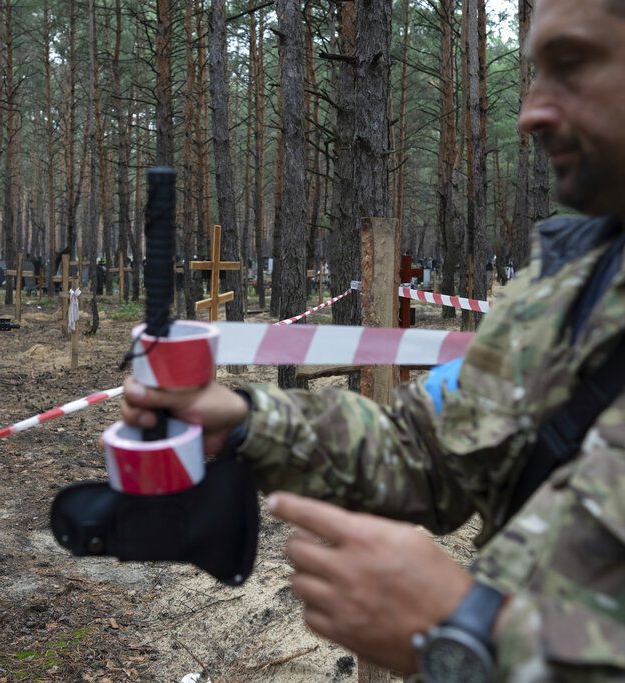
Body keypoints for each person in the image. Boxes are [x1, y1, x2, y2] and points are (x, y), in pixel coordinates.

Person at [122, 0, 625, 680]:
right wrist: (245, 421)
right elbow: (428, 455)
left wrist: (474, 634)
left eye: (571, 64)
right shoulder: (568, 280)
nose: (530, 112)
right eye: (533, 73)